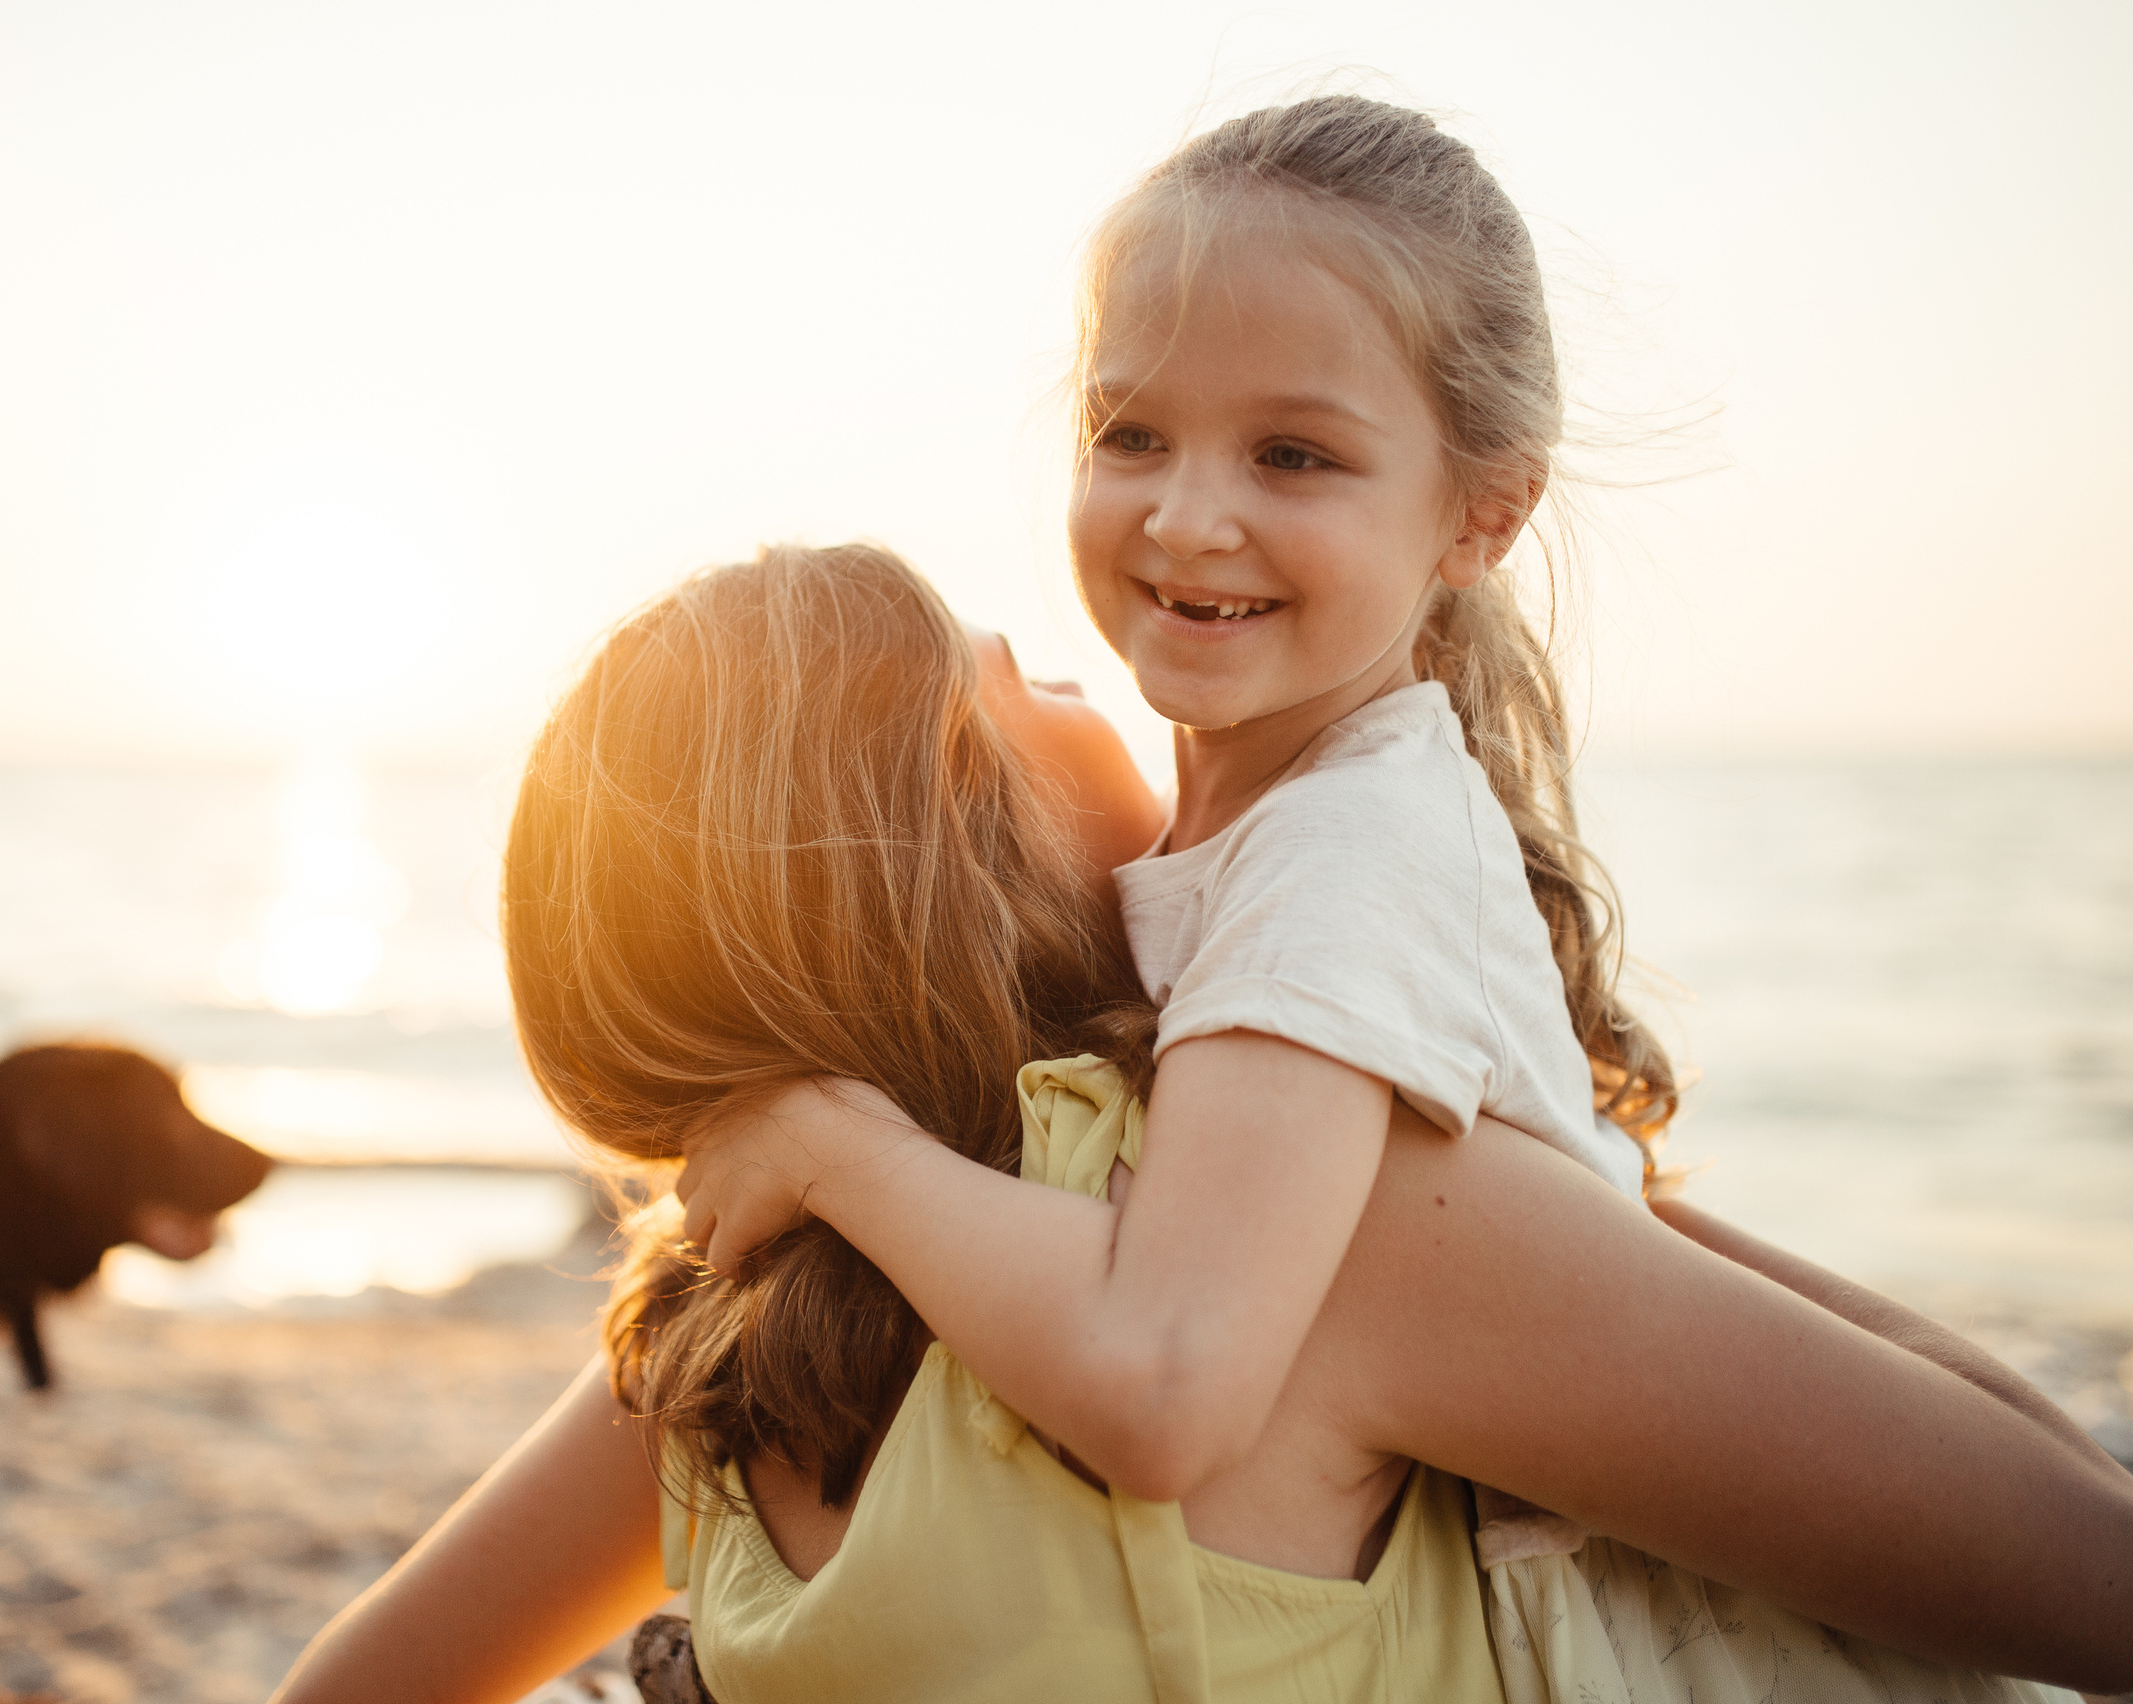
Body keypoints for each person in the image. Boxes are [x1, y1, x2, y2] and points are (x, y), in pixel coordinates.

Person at [666, 98, 2133, 1697]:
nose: (1186, 514)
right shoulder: (1271, 848)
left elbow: (1165, 1386)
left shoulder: (1335, 865)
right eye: (1129, 432)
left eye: (1292, 452)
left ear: (1483, 512)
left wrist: (835, 1146)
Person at [270, 545, 2130, 1704]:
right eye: (1039, 681)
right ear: (967, 810)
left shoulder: (718, 1327)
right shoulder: (1330, 1243)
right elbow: (2073, 1550)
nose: (1117, 702)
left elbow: (356, 1690)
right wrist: (1523, 1146)